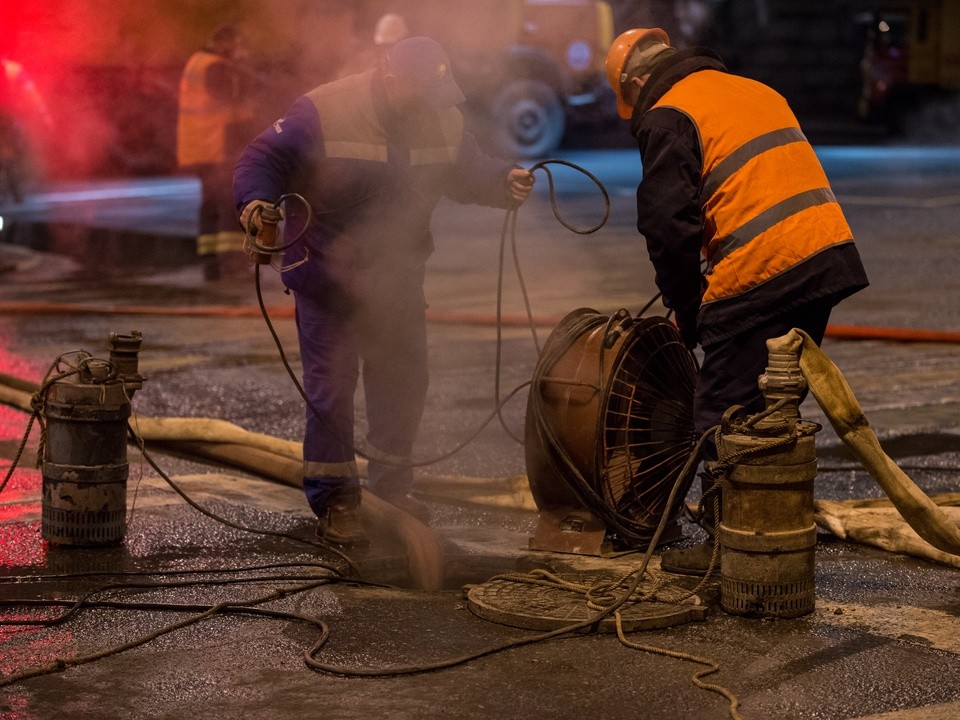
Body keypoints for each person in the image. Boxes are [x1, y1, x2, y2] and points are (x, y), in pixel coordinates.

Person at [234, 36, 535, 546]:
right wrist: (256, 203)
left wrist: (503, 180)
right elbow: (262, 156)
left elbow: (466, 170)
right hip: (328, 276)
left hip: (397, 278)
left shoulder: (441, 115)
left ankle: (392, 489)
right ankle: (336, 500)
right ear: (391, 81)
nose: (430, 105)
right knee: (332, 390)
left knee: (403, 383)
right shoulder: (326, 109)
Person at [604, 28, 869, 574]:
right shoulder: (752, 88)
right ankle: (769, 528)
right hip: (824, 256)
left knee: (721, 414)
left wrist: (690, 309)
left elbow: (667, 227)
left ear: (635, 84)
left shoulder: (669, 112)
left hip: (765, 269)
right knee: (771, 408)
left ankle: (727, 549)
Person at [177, 24, 256, 281]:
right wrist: (242, 76)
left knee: (210, 205)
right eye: (238, 45)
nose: (241, 51)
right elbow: (229, 99)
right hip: (217, 146)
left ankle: (211, 265)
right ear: (226, 43)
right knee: (228, 205)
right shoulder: (216, 66)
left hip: (200, 147)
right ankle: (233, 265)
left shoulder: (197, 62)